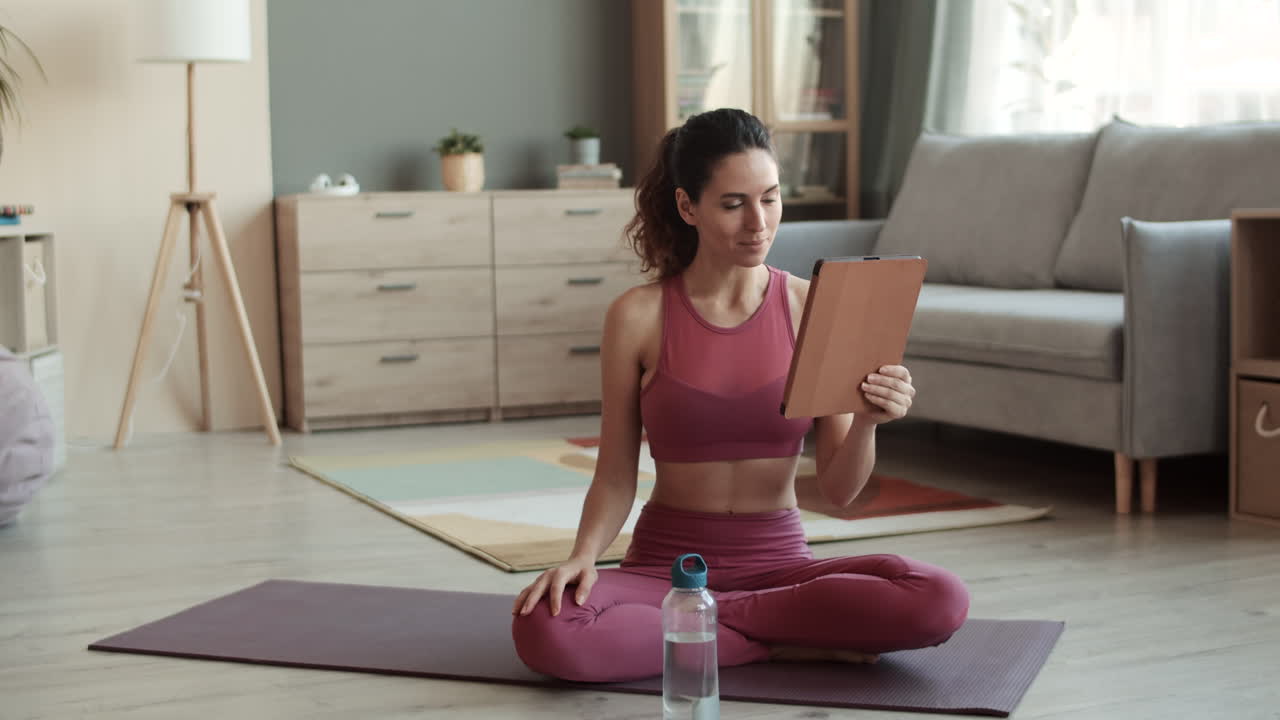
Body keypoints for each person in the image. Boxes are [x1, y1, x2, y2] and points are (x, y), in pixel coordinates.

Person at [510, 108, 968, 683]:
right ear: (687, 207)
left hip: (780, 570)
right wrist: (582, 556)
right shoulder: (637, 316)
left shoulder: (812, 307)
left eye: (771, 199)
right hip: (665, 571)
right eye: (733, 204)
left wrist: (870, 422)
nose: (759, 222)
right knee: (546, 627)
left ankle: (703, 629)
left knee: (938, 596)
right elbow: (615, 472)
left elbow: (840, 490)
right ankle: (773, 646)